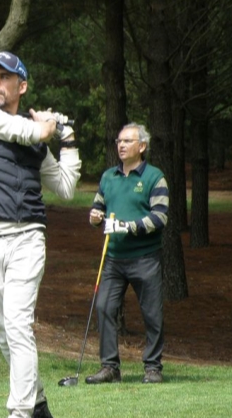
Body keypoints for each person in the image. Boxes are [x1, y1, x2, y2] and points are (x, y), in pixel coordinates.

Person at [0, 51, 82, 418]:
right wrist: (46, 125)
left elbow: (65, 186)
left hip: (26, 238)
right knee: (4, 335)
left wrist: (66, 139)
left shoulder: (35, 140)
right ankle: (40, 403)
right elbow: (28, 132)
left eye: (3, 77)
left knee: (17, 324)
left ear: (21, 86)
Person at [86, 122, 169, 385]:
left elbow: (160, 218)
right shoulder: (108, 177)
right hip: (113, 258)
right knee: (104, 307)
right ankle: (110, 367)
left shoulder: (155, 177)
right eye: (118, 141)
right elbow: (97, 208)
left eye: (127, 141)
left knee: (152, 314)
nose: (120, 145)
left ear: (142, 146)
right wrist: (95, 217)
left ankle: (153, 367)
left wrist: (126, 227)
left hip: (145, 258)